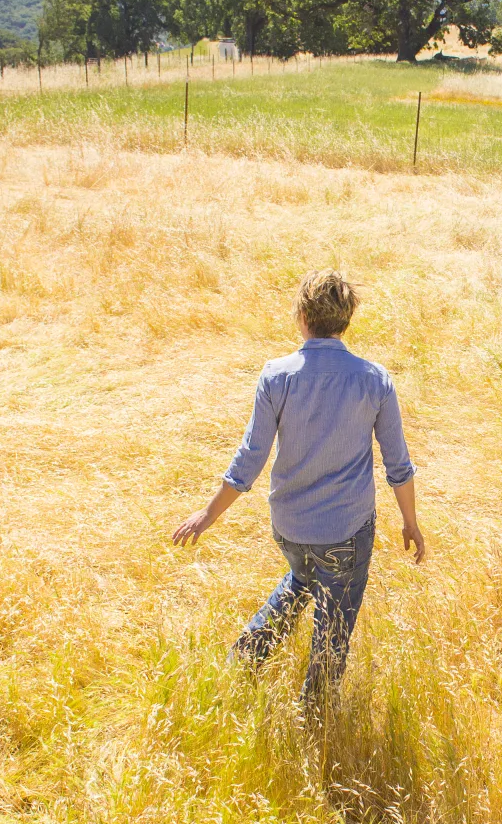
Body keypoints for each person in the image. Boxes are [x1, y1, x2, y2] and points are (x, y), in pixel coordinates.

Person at [172, 269, 426, 709]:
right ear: (346, 320)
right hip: (346, 534)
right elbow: (397, 465)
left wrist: (208, 514)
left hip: (289, 528)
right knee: (333, 626)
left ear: (302, 315)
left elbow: (251, 456)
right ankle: (316, 715)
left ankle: (244, 661)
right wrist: (411, 523)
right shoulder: (374, 379)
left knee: (303, 578)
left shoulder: (277, 376)